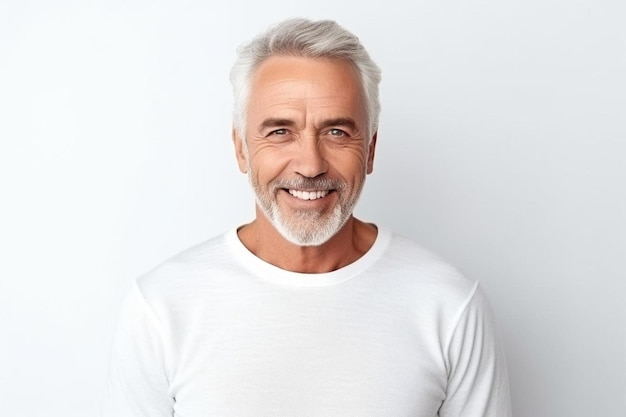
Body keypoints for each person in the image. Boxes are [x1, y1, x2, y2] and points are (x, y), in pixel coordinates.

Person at [102, 18, 512, 417]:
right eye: (280, 131)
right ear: (242, 149)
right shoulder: (160, 307)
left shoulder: (450, 304)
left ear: (369, 150)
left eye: (337, 132)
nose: (311, 165)